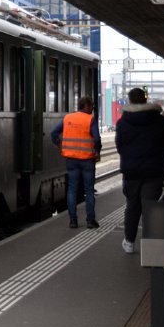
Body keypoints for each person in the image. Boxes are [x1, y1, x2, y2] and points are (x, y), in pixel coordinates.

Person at [115, 87, 164, 253]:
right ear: (145, 99)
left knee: (132, 206)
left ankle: (129, 242)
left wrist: (129, 158)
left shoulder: (123, 122)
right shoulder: (159, 121)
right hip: (154, 170)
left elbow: (120, 146)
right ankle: (151, 244)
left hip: (131, 171)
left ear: (130, 100)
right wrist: (157, 156)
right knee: (151, 207)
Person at [50, 96, 102, 228]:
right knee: (89, 190)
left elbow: (53, 133)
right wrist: (97, 151)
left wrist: (60, 145)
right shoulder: (90, 119)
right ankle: (90, 221)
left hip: (71, 160)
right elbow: (96, 138)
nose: (92, 110)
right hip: (87, 160)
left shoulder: (68, 118)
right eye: (91, 107)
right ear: (87, 106)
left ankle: (73, 221)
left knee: (72, 189)